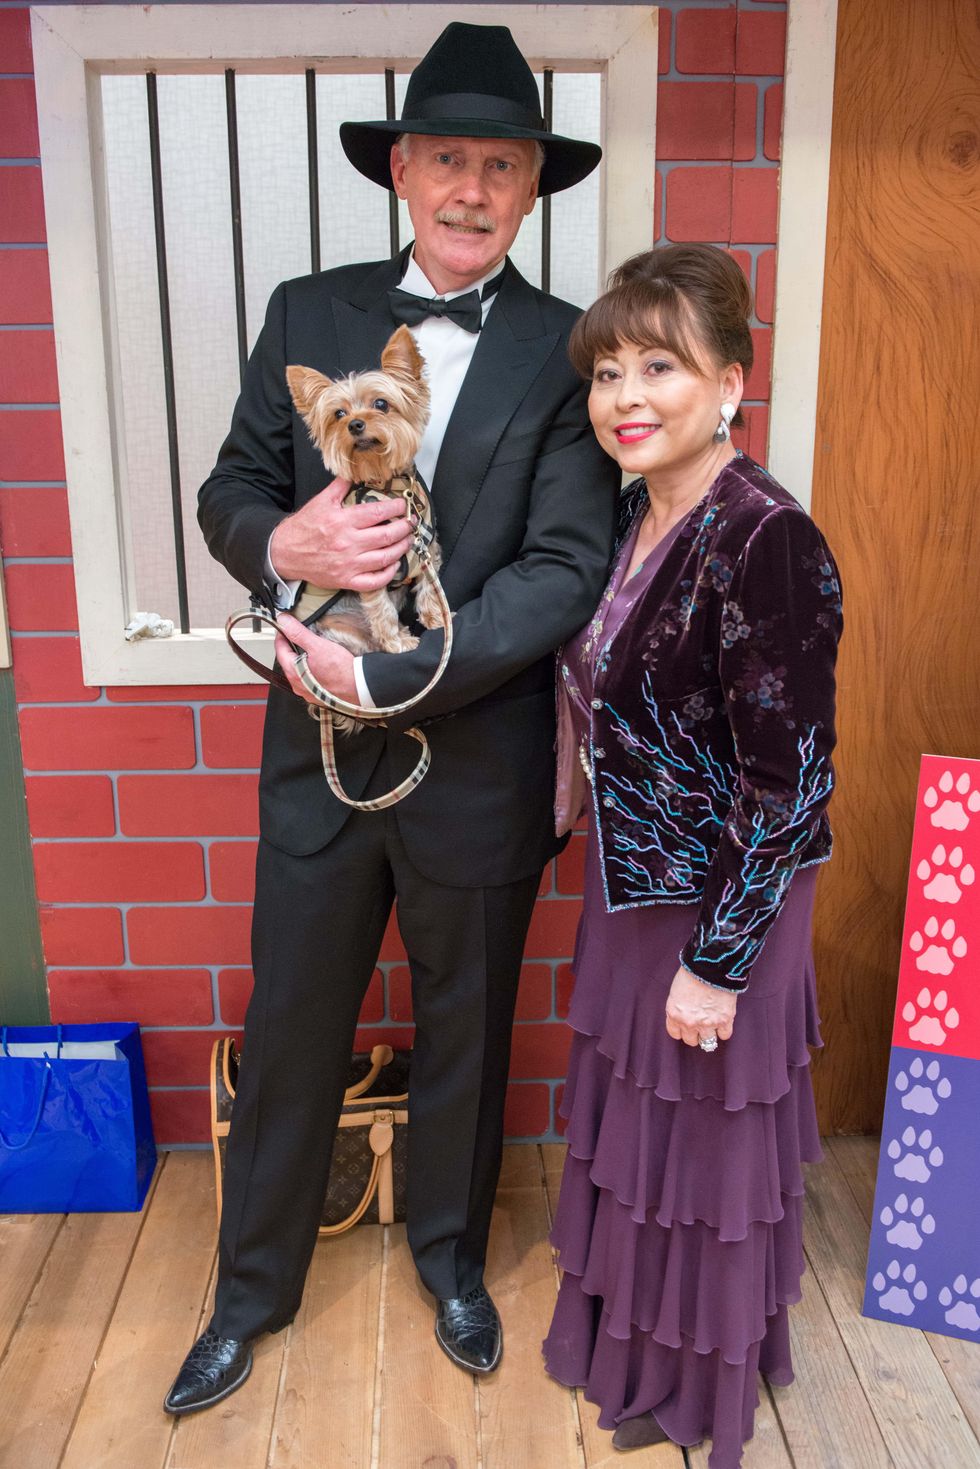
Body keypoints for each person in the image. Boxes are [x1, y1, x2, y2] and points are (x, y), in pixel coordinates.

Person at [163, 23, 619, 1416]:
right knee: (295, 1011)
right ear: (402, 171)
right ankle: (251, 1292)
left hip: (473, 761)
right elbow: (228, 487)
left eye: (500, 164)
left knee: (467, 1030)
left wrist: (400, 676)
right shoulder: (308, 310)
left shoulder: (569, 345)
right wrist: (275, 531)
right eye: (447, 160)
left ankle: (452, 1262)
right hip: (311, 760)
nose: (470, 188)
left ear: (531, 183)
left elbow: (563, 567)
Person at [542, 245, 843, 1467]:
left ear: (727, 379)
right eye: (608, 367)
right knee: (640, 1139)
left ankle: (695, 1386)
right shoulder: (629, 510)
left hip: (725, 896)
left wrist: (718, 962)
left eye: (657, 364)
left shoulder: (765, 536)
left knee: (705, 1146)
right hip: (632, 882)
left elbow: (789, 783)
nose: (626, 393)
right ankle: (631, 1348)